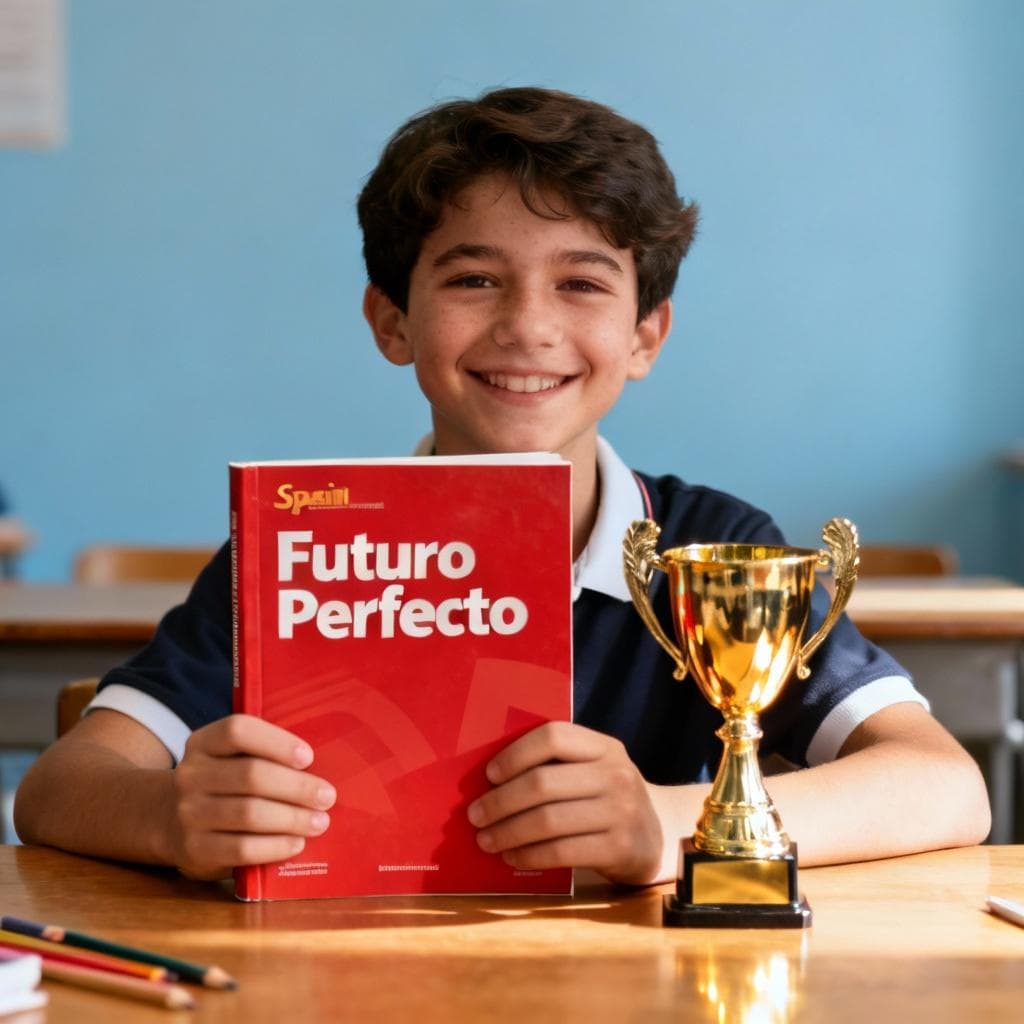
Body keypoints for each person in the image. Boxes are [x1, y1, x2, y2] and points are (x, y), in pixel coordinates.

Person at [15, 87, 989, 885]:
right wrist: (170, 814)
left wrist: (666, 824)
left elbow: (945, 785)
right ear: (392, 321)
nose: (528, 326)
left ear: (645, 335)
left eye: (581, 283)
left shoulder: (707, 546)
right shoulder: (302, 551)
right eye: (473, 279)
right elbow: (61, 787)